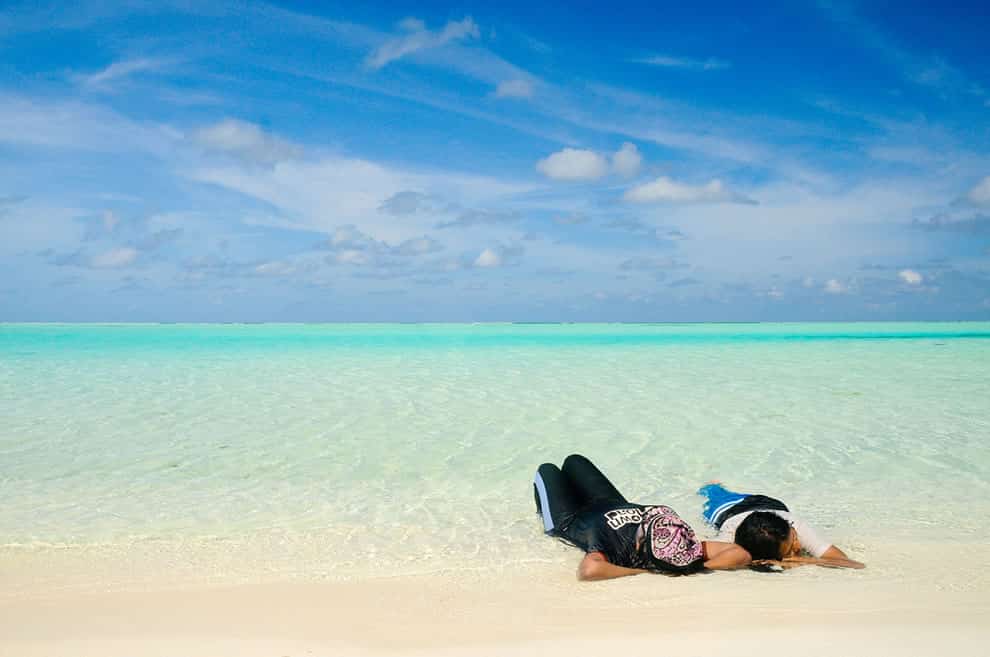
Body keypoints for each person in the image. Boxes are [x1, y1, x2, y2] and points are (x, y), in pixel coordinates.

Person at [534, 455, 751, 580]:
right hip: (613, 503)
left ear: (639, 544)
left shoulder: (619, 550)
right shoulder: (684, 547)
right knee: (574, 460)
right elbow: (739, 553)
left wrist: (642, 572)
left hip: (570, 520)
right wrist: (699, 568)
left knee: (546, 470)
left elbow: (589, 571)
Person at [698, 482, 865, 570]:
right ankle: (714, 486)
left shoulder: (796, 527)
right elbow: (696, 554)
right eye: (792, 547)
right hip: (727, 510)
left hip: (770, 505)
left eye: (794, 538)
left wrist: (800, 559)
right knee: (712, 492)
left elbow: (853, 564)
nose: (799, 545)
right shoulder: (728, 539)